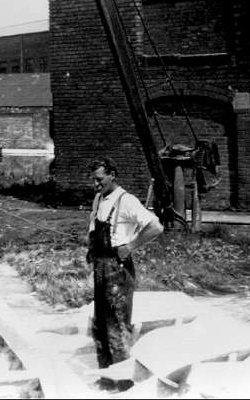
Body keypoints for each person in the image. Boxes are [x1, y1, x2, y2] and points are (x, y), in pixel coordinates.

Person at [86, 156, 164, 390]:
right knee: (100, 325)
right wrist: (91, 252)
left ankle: (124, 384)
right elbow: (93, 228)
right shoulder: (99, 198)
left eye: (99, 180)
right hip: (100, 266)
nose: (96, 185)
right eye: (93, 180)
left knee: (117, 327)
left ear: (112, 175)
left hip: (117, 270)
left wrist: (130, 246)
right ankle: (107, 378)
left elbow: (155, 227)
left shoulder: (126, 200)